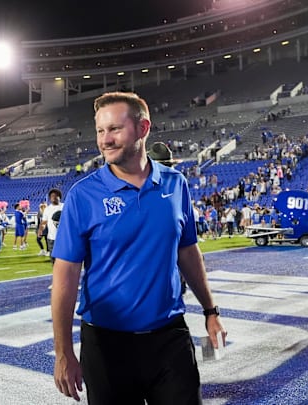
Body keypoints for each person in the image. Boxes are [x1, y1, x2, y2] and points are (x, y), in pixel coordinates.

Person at [51, 92, 227, 403]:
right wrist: (63, 352)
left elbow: (188, 252)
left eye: (115, 129)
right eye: (100, 131)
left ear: (143, 128)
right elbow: (64, 277)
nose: (105, 140)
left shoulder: (176, 185)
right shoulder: (82, 196)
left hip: (170, 338)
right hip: (106, 346)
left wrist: (210, 311)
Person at [38, 188, 63, 262]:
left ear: (59, 197)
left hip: (64, 237)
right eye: (52, 196)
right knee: (54, 260)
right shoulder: (47, 209)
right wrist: (40, 230)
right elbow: (44, 222)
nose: (54, 197)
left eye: (56, 196)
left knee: (65, 260)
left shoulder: (65, 206)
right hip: (52, 238)